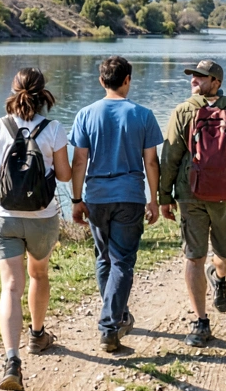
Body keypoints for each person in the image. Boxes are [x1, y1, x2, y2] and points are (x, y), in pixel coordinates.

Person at [0, 68, 73, 391]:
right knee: (39, 274)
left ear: (13, 90)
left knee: (10, 286)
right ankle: (37, 335)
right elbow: (64, 175)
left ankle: (12, 359)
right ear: (43, 93)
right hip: (42, 217)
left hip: (4, 216)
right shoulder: (54, 129)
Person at [158, 59, 226, 347]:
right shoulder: (184, 111)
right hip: (190, 196)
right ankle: (201, 321)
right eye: (193, 76)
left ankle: (218, 274)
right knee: (193, 256)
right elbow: (170, 158)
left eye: (201, 77)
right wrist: (164, 197)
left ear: (216, 82)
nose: (194, 80)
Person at [70, 56, 164, 353]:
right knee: (122, 261)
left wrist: (76, 199)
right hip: (130, 195)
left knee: (103, 259)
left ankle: (117, 315)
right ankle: (110, 325)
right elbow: (151, 160)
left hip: (97, 196)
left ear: (101, 81)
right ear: (127, 80)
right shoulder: (143, 115)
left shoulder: (86, 114)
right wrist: (155, 199)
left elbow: (80, 160)